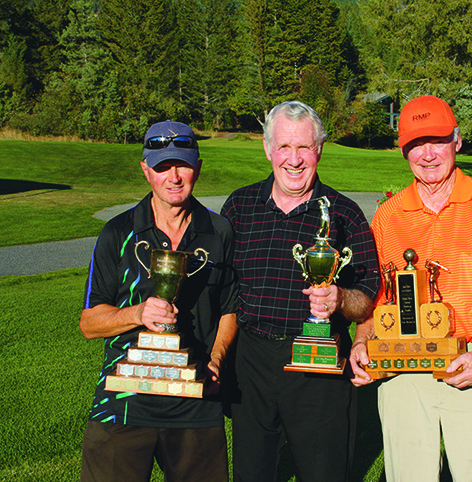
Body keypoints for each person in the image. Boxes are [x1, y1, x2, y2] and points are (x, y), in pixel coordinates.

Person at [349, 95, 472, 481]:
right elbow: (377, 296)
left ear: (457, 141)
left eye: (437, 141)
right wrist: (362, 342)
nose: (427, 154)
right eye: (415, 144)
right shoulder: (389, 215)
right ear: (403, 150)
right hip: (403, 371)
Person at [221, 101, 379, 482]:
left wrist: (340, 298)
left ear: (319, 149)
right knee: (251, 473)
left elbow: (368, 295)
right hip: (252, 363)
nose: (294, 159)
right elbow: (220, 291)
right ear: (267, 149)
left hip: (318, 372)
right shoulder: (240, 207)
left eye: (304, 147)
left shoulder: (344, 213)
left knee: (323, 473)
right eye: (284, 147)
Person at [79, 120, 238, 481]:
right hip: (123, 404)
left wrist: (215, 361)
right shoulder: (118, 232)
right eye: (163, 166)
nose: (174, 176)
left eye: (182, 164)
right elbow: (89, 323)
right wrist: (138, 313)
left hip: (196, 401)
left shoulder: (220, 231)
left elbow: (230, 308)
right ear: (146, 170)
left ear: (197, 165)